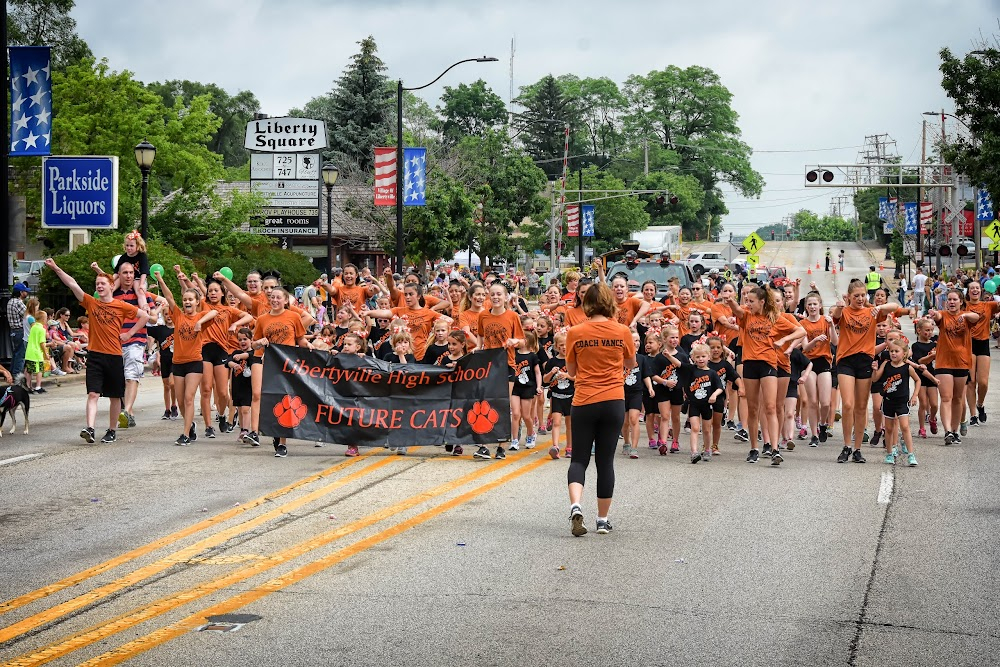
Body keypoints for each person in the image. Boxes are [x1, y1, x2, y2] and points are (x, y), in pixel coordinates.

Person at [45, 258, 149, 444]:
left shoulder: (121, 305)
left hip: (114, 356)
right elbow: (72, 284)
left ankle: (111, 430)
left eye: (102, 284)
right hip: (95, 356)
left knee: (115, 396)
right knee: (93, 393)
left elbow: (144, 316)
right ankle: (90, 428)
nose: (99, 286)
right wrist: (56, 268)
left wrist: (129, 334)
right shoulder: (91, 303)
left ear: (111, 285)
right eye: (97, 284)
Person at [565, 282, 636, 537]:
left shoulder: (575, 331)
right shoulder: (622, 330)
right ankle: (603, 520)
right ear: (610, 303)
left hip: (584, 400)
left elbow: (571, 371)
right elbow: (630, 362)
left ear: (586, 304)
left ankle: (575, 505)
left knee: (579, 460)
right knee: (605, 462)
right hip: (613, 400)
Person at [830, 279, 899, 463]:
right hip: (845, 360)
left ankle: (858, 448)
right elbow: (836, 315)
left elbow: (894, 307)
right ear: (850, 297)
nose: (860, 299)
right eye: (856, 296)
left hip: (865, 361)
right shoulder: (844, 312)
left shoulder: (872, 312)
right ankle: (846, 446)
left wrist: (880, 307)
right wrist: (839, 305)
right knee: (848, 404)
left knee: (861, 407)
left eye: (863, 295)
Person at [155, 268, 218, 447]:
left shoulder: (201, 316)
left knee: (189, 397)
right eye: (185, 299)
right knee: (181, 401)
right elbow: (168, 297)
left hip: (195, 363)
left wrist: (199, 322)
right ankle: (190, 425)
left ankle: (184, 434)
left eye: (191, 299)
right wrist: (160, 279)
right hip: (178, 363)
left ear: (197, 302)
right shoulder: (178, 316)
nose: (187, 302)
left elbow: (214, 313)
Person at [927, 289, 980, 445]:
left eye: (954, 299)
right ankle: (948, 431)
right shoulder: (943, 315)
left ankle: (955, 430)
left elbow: (976, 317)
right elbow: (937, 316)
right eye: (949, 299)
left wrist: (963, 315)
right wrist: (934, 314)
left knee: (958, 398)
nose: (951, 302)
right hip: (944, 361)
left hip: (962, 362)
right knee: (946, 397)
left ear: (961, 301)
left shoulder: (967, 317)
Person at [113, 262, 156, 430]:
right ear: (119, 274)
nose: (128, 276)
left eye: (131, 272)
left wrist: (144, 311)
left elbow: (152, 318)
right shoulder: (112, 294)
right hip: (115, 342)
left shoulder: (142, 294)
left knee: (132, 375)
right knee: (120, 379)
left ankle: (127, 409)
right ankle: (129, 413)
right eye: (125, 272)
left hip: (136, 341)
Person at [962, 280, 999, 426]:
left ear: (981, 290)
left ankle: (980, 404)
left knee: (983, 382)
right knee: (971, 381)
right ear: (968, 291)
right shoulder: (964, 305)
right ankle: (972, 415)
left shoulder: (988, 305)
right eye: (972, 288)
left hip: (983, 343)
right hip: (968, 344)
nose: (975, 290)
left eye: (977, 288)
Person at [7, 282, 29, 380]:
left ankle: (11, 372)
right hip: (20, 330)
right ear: (20, 292)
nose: (26, 293)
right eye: (25, 291)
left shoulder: (10, 301)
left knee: (16, 353)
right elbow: (28, 315)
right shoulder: (18, 302)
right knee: (21, 354)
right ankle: (17, 375)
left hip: (13, 330)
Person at [25, 310, 50, 393]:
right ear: (43, 319)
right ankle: (38, 387)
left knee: (29, 370)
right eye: (46, 318)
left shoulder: (33, 327)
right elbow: (42, 343)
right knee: (39, 370)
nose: (47, 320)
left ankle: (28, 386)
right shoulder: (42, 329)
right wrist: (46, 353)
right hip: (37, 353)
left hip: (29, 352)